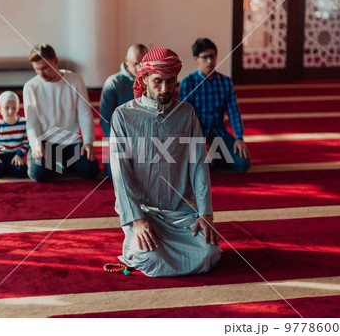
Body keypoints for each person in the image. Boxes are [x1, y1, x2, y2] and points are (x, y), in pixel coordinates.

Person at [110, 47, 222, 277]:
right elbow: (120, 174)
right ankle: (135, 241)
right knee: (151, 259)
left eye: (171, 82)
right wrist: (137, 220)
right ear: (144, 79)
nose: (165, 89)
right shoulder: (123, 116)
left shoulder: (186, 113)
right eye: (158, 81)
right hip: (143, 213)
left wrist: (205, 214)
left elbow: (198, 165)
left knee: (210, 252)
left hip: (181, 212)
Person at [23, 43, 100, 182]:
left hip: (71, 142)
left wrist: (88, 142)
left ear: (55, 61)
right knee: (39, 175)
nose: (41, 73)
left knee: (91, 170)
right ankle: (53, 163)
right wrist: (35, 145)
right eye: (37, 69)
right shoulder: (30, 87)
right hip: (45, 143)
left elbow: (85, 114)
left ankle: (61, 164)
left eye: (45, 68)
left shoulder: (75, 80)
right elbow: (31, 122)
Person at [179, 38, 251, 173]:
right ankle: (214, 158)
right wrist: (198, 141)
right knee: (205, 165)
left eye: (212, 56)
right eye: (205, 57)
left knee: (243, 163)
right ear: (196, 58)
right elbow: (186, 117)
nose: (210, 61)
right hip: (199, 134)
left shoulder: (225, 82)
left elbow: (233, 111)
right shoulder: (188, 83)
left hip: (219, 133)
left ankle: (217, 156)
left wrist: (239, 137)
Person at [100, 44, 148, 177]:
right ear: (127, 61)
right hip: (119, 140)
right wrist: (117, 145)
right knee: (117, 172)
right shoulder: (113, 83)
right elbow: (105, 120)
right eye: (135, 64)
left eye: (143, 64)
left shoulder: (151, 82)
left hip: (144, 139)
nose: (139, 68)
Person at [0, 91, 29, 179]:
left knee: (21, 172)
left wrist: (19, 155)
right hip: (0, 155)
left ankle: (9, 168)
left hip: (14, 155)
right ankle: (5, 168)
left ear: (18, 108)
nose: (10, 111)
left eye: (13, 108)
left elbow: (26, 143)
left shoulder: (23, 123)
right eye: (7, 108)